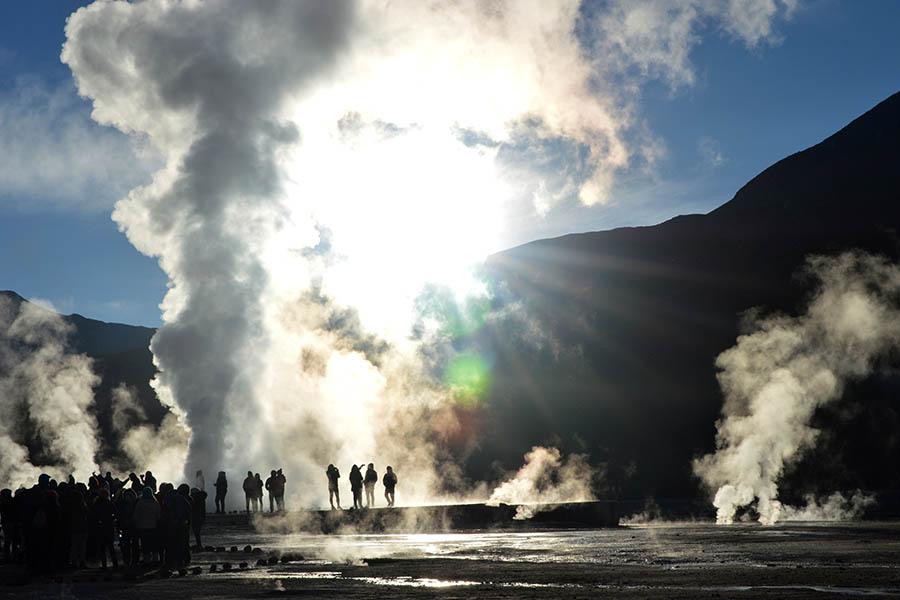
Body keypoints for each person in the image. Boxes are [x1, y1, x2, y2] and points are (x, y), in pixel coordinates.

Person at [133, 487, 161, 564]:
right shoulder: (155, 502)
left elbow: (136, 515)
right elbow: (158, 515)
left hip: (142, 527)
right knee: (154, 544)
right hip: (153, 526)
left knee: (145, 544)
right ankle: (155, 559)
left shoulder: (140, 503)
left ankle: (147, 560)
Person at [92, 488, 118, 569]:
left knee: (102, 548)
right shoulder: (109, 503)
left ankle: (104, 564)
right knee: (111, 547)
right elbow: (115, 513)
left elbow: (94, 515)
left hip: (100, 527)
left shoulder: (97, 503)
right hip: (109, 526)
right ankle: (115, 564)